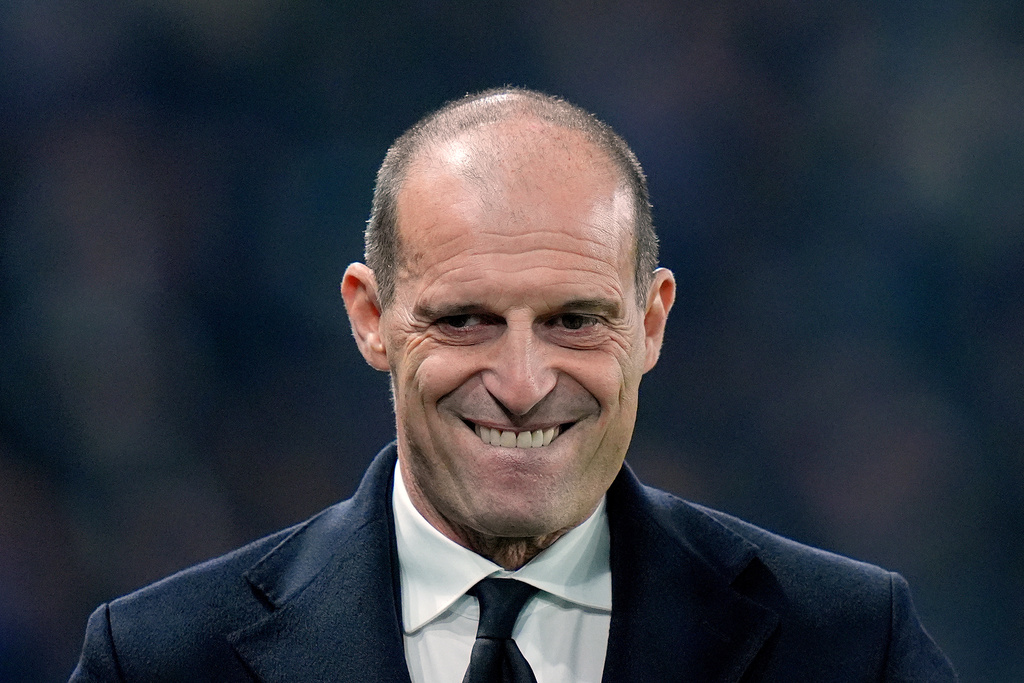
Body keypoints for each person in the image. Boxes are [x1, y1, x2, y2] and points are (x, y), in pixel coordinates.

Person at [70, 88, 956, 682]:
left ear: (650, 323)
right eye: (465, 321)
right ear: (371, 317)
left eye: (574, 320)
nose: (524, 384)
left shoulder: (846, 644)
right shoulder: (157, 659)